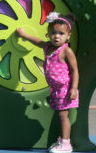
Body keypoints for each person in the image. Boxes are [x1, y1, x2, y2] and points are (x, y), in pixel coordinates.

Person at [16, 12, 79, 153]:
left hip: (64, 89)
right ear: (48, 34)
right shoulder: (47, 47)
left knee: (63, 116)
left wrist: (73, 89)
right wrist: (23, 35)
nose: (57, 36)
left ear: (68, 36)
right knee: (60, 115)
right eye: (53, 32)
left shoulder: (66, 51)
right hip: (55, 90)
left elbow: (75, 71)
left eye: (61, 33)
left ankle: (66, 144)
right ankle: (62, 141)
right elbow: (36, 41)